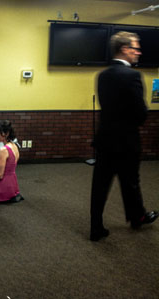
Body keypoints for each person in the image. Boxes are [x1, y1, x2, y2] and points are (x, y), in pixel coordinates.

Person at [90, 31, 158, 242]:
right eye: (136, 48)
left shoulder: (102, 75)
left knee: (100, 185)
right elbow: (140, 112)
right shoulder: (133, 76)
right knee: (131, 182)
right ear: (125, 49)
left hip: (105, 139)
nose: (139, 52)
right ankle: (137, 217)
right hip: (127, 141)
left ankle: (96, 227)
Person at [0, 121, 24, 203]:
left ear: (6, 134)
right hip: (12, 185)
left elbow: (0, 176)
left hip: (3, 186)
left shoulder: (4, 150)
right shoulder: (14, 145)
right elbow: (7, 171)